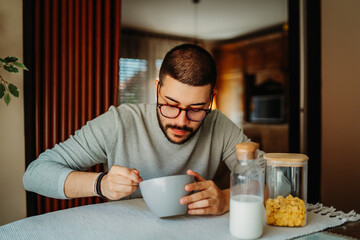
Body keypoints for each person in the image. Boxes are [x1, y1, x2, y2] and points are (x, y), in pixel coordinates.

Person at [23, 43, 251, 216]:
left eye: (197, 109)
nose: (181, 121)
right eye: (170, 105)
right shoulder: (118, 122)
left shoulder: (219, 124)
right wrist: (100, 184)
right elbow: (35, 174)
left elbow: (272, 179)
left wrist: (227, 198)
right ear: (156, 88)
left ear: (211, 99)